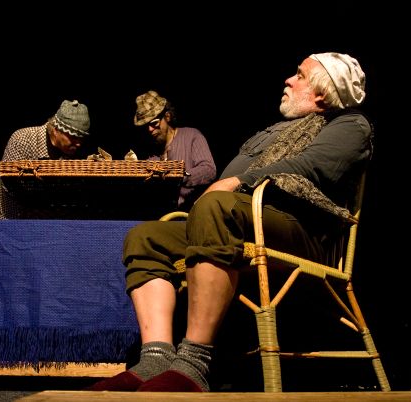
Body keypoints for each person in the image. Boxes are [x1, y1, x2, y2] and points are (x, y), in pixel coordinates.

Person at [87, 52, 371, 392]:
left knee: (216, 206)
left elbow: (311, 166)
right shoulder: (277, 131)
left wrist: (236, 182)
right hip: (244, 221)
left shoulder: (350, 125)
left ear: (323, 93)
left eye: (300, 75)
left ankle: (194, 363)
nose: (288, 80)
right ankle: (155, 359)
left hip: (301, 231)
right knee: (146, 237)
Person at [0, 99, 91, 219]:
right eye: (73, 137)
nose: (78, 143)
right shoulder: (23, 139)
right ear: (56, 130)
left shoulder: (75, 152)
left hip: (44, 221)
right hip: (7, 216)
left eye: (81, 138)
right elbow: (10, 182)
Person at [133, 90, 216, 211]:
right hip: (160, 215)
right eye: (146, 126)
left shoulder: (191, 136)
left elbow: (209, 170)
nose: (150, 129)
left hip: (191, 212)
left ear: (167, 116)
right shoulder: (149, 150)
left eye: (154, 123)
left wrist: (179, 176)